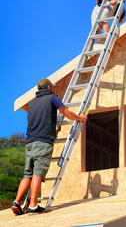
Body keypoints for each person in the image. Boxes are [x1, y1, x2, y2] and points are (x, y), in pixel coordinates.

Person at [11, 78, 87, 215]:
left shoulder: (32, 104)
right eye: (51, 87)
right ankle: (33, 206)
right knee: (38, 173)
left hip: (30, 143)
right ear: (48, 87)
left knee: (27, 174)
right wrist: (81, 118)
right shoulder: (52, 98)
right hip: (42, 143)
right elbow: (67, 114)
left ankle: (16, 202)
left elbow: (38, 122)